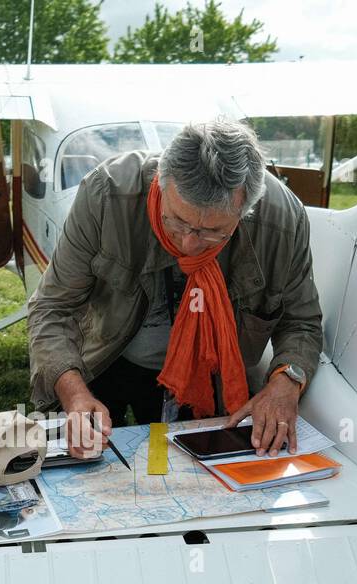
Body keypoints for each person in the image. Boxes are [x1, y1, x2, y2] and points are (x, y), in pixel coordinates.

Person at [27, 117, 323, 458]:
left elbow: (301, 321)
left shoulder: (283, 220)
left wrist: (287, 381)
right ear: (161, 183)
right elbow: (52, 307)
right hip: (106, 357)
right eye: (177, 220)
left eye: (214, 232)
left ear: (246, 210)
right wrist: (73, 392)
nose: (189, 243)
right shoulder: (106, 194)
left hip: (209, 382)